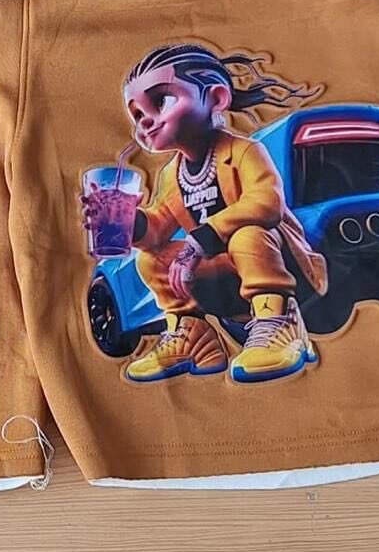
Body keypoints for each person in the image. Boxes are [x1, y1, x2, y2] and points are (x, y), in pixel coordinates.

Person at [83, 43, 328, 384]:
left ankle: (280, 324)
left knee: (247, 235)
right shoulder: (172, 174)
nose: (145, 121)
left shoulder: (244, 151)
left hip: (275, 261)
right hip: (222, 273)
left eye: (161, 101)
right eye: (137, 114)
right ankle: (193, 338)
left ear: (216, 97)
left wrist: (199, 240)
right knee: (150, 260)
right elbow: (157, 229)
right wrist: (129, 221)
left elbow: (266, 202)